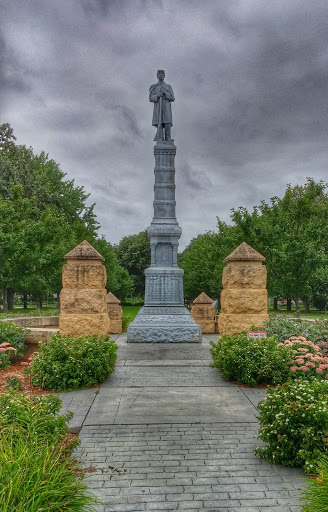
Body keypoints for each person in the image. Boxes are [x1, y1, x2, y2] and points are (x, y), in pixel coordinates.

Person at [149, 70, 175, 141]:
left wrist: (165, 93)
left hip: (166, 104)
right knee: (159, 122)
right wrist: (157, 95)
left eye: (162, 74)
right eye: (159, 74)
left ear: (164, 75)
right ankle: (160, 138)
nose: (160, 75)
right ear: (157, 76)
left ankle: (168, 138)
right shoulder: (153, 86)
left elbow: (172, 98)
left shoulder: (168, 86)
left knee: (167, 122)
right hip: (158, 105)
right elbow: (151, 98)